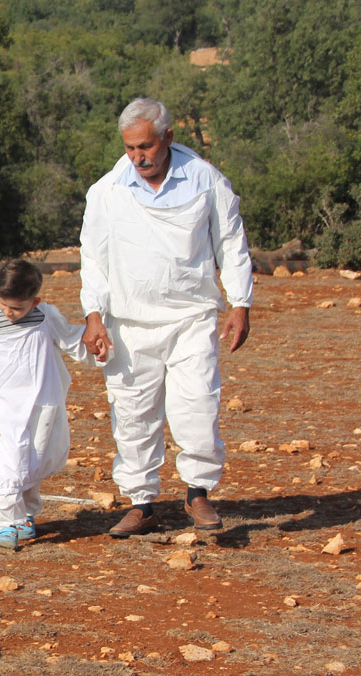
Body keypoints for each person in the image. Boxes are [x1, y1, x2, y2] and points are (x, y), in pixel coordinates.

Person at [80, 97, 253, 537]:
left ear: (168, 138)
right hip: (128, 322)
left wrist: (240, 302)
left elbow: (230, 242)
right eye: (130, 148)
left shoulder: (205, 180)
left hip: (190, 318)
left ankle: (198, 494)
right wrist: (93, 315)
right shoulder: (108, 190)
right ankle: (142, 504)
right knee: (133, 413)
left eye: (146, 147)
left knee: (196, 404)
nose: (138, 157)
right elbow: (94, 258)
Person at [0, 259, 92, 549]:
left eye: (17, 308)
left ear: (35, 301)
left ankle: (26, 516)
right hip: (3, 410)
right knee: (11, 461)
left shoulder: (45, 318)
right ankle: (6, 524)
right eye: (3, 305)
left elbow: (73, 340)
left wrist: (99, 341)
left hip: (40, 407)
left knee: (32, 461)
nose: (9, 314)